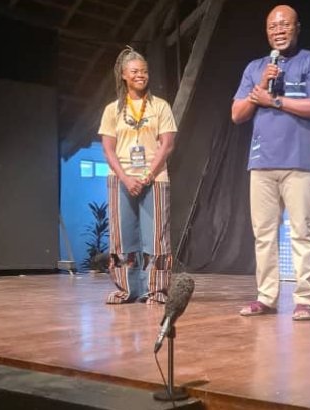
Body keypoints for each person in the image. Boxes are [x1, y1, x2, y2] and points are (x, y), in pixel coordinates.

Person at [232, 5, 310, 320]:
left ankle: (304, 299)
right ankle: (267, 297)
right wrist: (260, 88)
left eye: (284, 24)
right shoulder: (256, 68)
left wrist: (274, 100)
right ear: (266, 31)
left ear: (296, 27)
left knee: (302, 231)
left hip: (299, 162)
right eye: (273, 26)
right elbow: (237, 115)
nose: (278, 30)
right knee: (264, 234)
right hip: (261, 162)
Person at [98, 46, 177, 305]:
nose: (141, 75)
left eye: (144, 71)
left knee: (156, 237)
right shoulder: (112, 110)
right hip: (121, 178)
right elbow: (108, 149)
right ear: (123, 75)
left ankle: (155, 291)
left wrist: (146, 175)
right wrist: (125, 177)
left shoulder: (160, 106)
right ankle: (126, 289)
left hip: (154, 178)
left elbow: (167, 144)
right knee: (123, 237)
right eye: (135, 71)